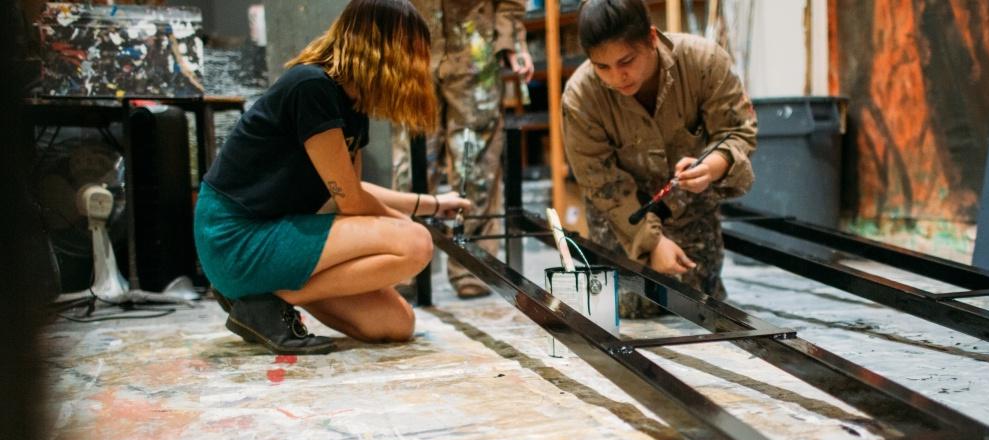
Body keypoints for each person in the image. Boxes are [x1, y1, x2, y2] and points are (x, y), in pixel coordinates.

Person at [195, 0, 471, 355]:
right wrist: (411, 226)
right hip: (235, 238)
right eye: (412, 51)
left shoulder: (352, 103)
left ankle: (264, 301)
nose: (418, 64)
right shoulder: (311, 86)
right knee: (415, 244)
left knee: (396, 325)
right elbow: (351, 202)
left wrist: (432, 204)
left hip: (276, 234)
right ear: (382, 47)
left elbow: (349, 190)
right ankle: (268, 301)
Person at [562, 0, 757, 317]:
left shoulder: (703, 62)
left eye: (626, 61)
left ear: (652, 38)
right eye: (602, 67)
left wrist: (711, 166)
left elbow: (738, 131)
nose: (617, 77)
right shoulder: (581, 96)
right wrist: (650, 242)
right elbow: (600, 181)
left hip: (689, 203)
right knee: (630, 307)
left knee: (697, 306)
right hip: (623, 214)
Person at [399, 0, 533, 298]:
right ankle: (405, 262)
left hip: (474, 44)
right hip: (412, 43)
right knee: (411, 163)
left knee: (474, 165)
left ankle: (471, 262)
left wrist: (511, 38)